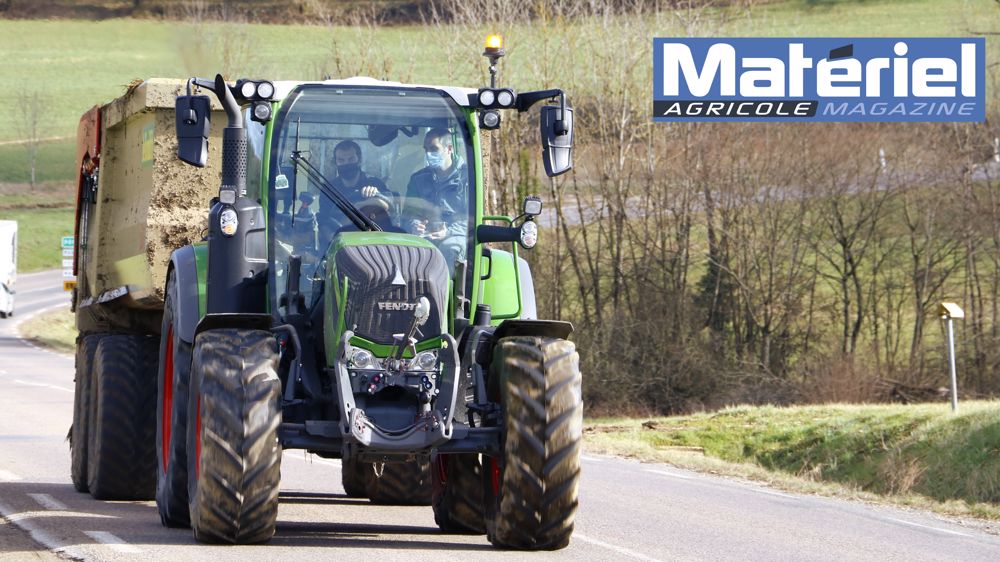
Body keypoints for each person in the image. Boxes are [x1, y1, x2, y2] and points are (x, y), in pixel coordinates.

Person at [404, 128, 469, 272]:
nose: (428, 154)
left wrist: (448, 231)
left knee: (449, 249)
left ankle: (447, 293)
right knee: (406, 252)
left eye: (434, 148)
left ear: (449, 149)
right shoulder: (418, 179)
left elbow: (473, 219)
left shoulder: (468, 179)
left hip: (457, 236)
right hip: (425, 236)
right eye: (426, 149)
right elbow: (408, 213)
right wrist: (414, 225)